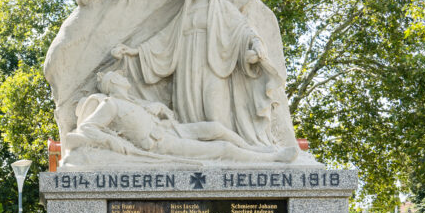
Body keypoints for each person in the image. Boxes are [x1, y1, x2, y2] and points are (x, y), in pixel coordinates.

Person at [111, 0, 287, 148]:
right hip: (186, 66)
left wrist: (256, 43)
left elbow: (242, 29)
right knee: (187, 111)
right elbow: (165, 38)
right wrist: (136, 51)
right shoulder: (185, 11)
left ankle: (234, 148)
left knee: (214, 110)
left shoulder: (221, 7)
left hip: (213, 64)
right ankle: (197, 150)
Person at [64, 71, 297, 164]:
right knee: (223, 149)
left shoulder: (134, 100)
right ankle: (273, 160)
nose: (126, 79)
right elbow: (87, 129)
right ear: (114, 83)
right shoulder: (110, 104)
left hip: (173, 129)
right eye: (121, 77)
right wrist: (112, 142)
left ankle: (256, 149)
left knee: (217, 128)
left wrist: (160, 110)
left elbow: (156, 115)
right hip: (162, 144)